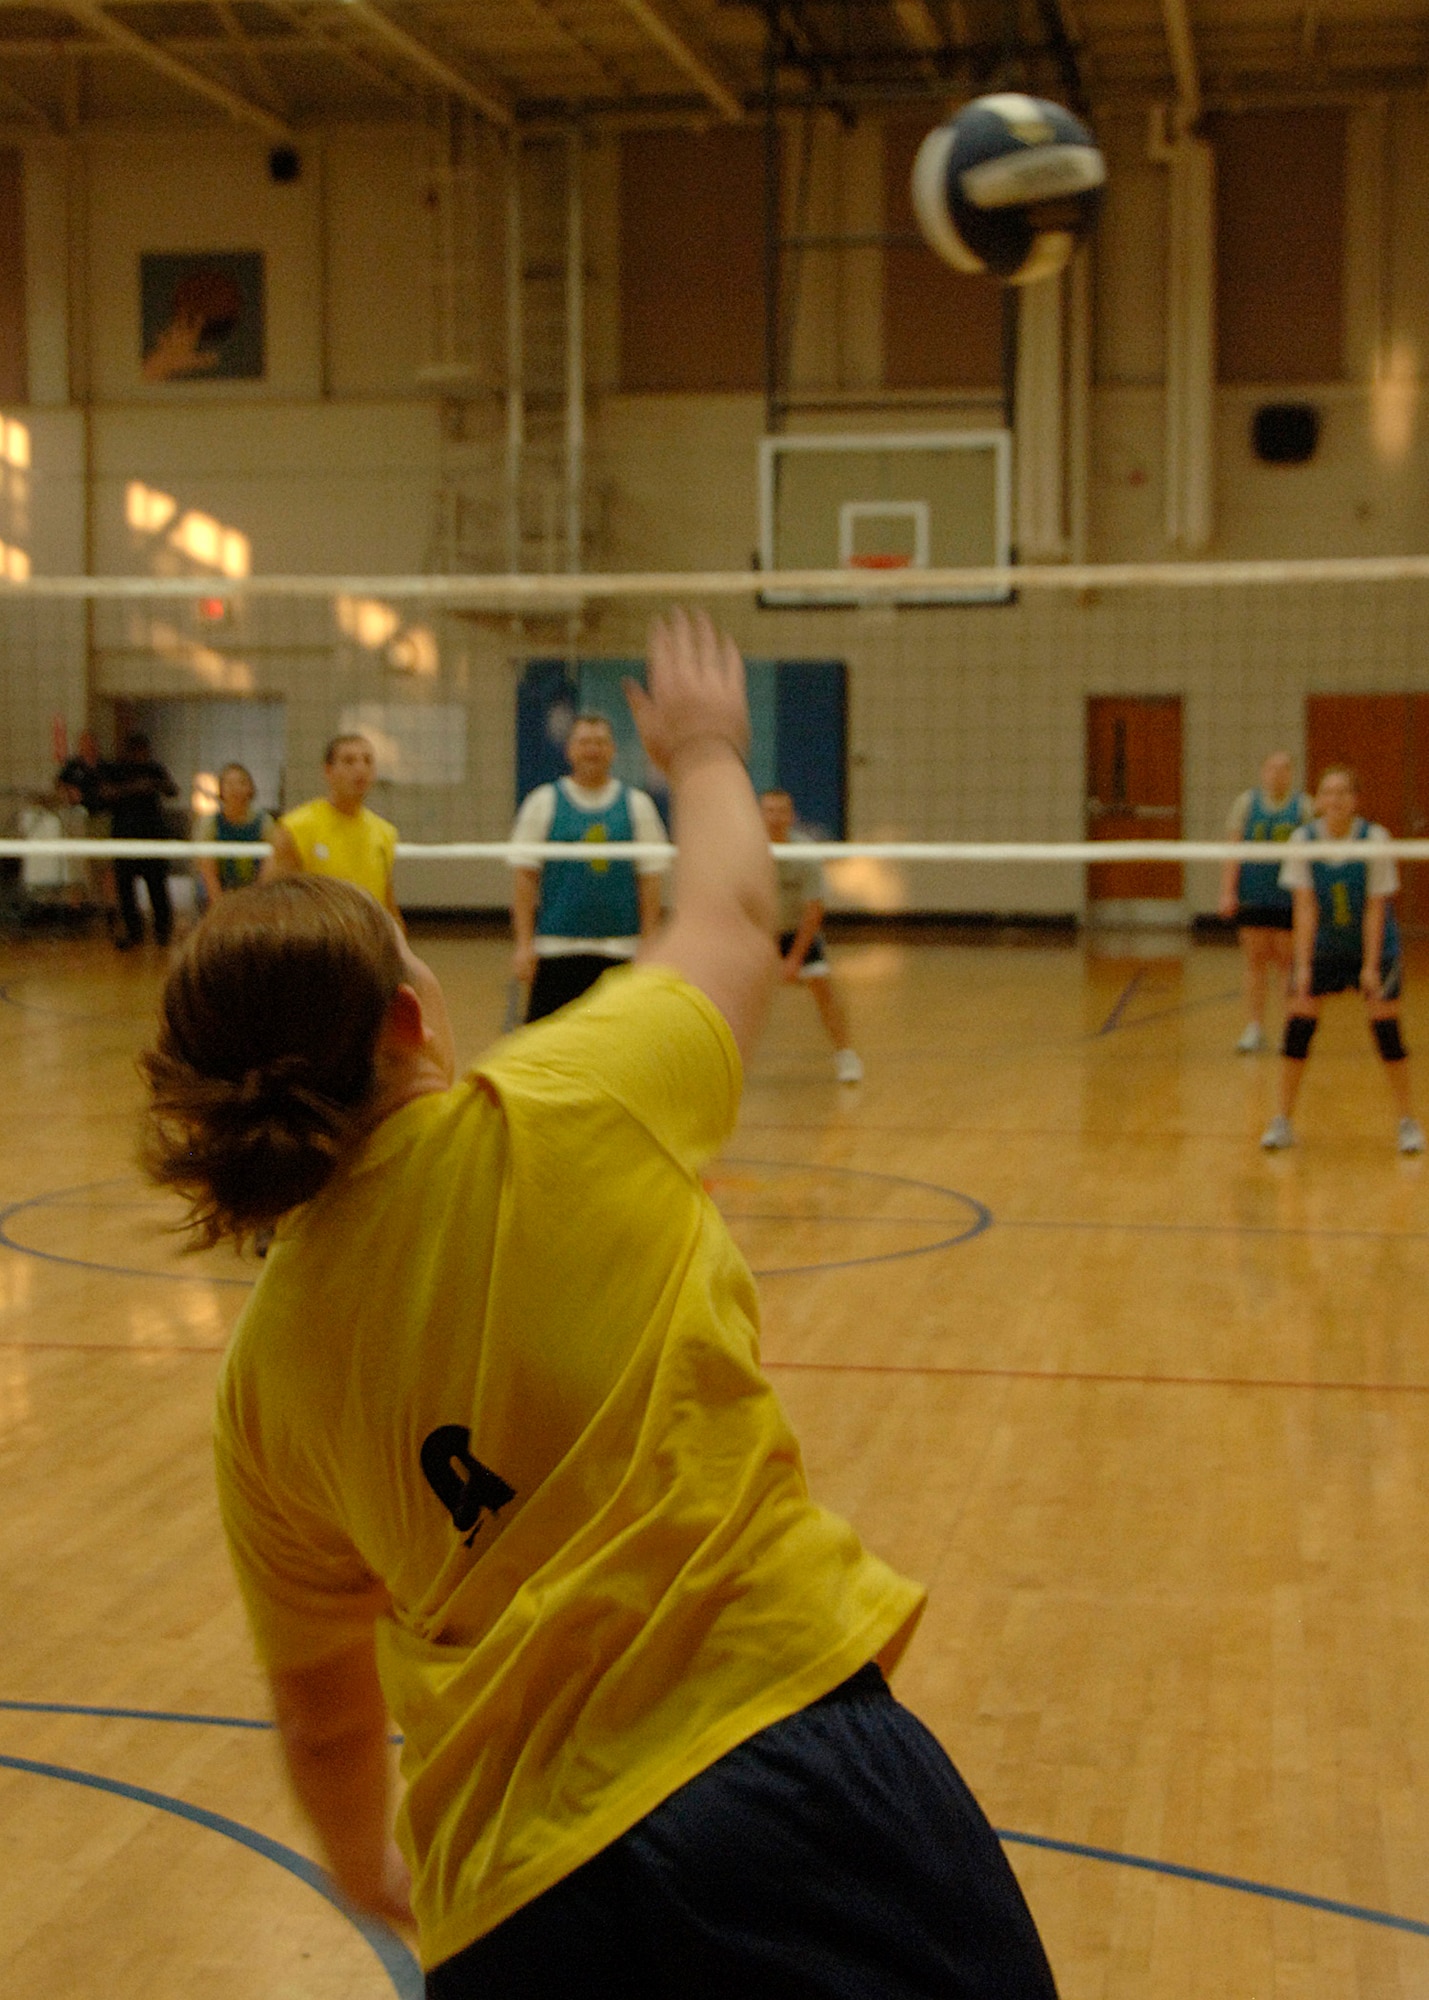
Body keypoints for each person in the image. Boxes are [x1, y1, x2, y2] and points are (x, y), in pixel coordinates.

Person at [139, 612, 1059, 2000]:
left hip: (513, 1894)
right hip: (784, 1772)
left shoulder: (255, 1390)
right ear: (408, 1025)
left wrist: (368, 1865)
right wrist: (702, 749)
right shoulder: (566, 1109)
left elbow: (322, 1710)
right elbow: (731, 917)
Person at [1261, 765, 1425, 1154]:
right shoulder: (1304, 839)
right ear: (1317, 800)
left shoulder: (1375, 838)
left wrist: (1369, 966)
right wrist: (1302, 966)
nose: (1334, 800)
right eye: (1327, 793)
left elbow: (1375, 907)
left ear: (1355, 800)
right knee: (1298, 1023)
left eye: (1342, 793)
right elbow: (1304, 908)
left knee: (1386, 1028)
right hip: (1324, 946)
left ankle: (1407, 1122)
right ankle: (1282, 1121)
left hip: (1374, 946)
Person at [509, 711, 668, 1022]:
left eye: (600, 742)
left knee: (618, 1043)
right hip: (556, 948)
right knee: (546, 1044)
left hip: (621, 949)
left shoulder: (638, 805)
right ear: (570, 750)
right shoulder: (543, 802)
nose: (592, 749)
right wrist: (524, 945)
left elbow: (650, 880)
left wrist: (650, 942)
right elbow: (525, 879)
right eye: (584, 742)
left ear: (612, 750)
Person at [760, 788, 863, 1083]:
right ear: (759, 814)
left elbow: (813, 910)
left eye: (781, 811)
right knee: (731, 993)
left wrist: (794, 959)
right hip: (758, 935)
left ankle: (846, 1056)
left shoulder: (804, 851)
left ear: (792, 816)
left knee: (823, 990)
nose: (775, 817)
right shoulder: (748, 851)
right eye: (769, 811)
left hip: (797, 934)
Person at [1217, 751, 1312, 1053]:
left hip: (1287, 897)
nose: (1277, 774)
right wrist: (1228, 892)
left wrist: (1310, 900)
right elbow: (1233, 852)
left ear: (1291, 774)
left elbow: (1312, 858)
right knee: (1255, 962)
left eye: (1284, 769)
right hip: (1253, 894)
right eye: (1272, 768)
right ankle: (1255, 1027)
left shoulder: (1303, 807)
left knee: (1287, 963)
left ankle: (1288, 1027)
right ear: (1263, 772)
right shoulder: (1247, 803)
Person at [261, 734, 402, 925]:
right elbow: (269, 901)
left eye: (368, 761)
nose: (360, 769)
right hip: (318, 944)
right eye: (349, 761)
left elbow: (388, 904)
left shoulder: (385, 832)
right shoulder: (296, 828)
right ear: (328, 771)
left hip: (367, 943)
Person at [98, 731, 179, 950]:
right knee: (126, 888)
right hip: (124, 837)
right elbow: (104, 793)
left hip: (153, 836)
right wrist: (135, 788)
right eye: (138, 751)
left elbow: (173, 790)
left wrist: (156, 784)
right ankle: (134, 932)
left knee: (157, 886)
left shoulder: (154, 769)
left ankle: (163, 932)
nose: (142, 755)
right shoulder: (115, 770)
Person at [193, 762, 276, 905]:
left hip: (255, 889)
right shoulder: (209, 823)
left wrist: (258, 900)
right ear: (221, 790)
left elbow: (271, 864)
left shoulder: (264, 822)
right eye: (229, 784)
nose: (235, 789)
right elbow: (207, 868)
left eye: (241, 783)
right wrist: (220, 906)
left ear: (250, 788)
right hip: (218, 888)